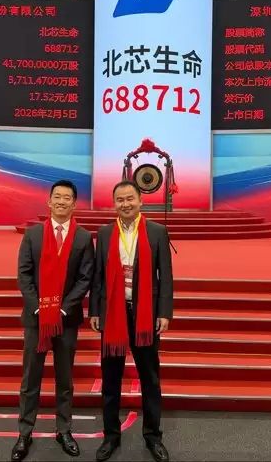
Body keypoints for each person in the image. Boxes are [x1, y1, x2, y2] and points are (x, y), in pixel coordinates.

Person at [89, 180, 174, 462]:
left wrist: (164, 312)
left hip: (145, 314)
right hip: (113, 314)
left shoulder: (157, 231)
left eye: (130, 199)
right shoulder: (104, 233)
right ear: (114, 203)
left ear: (141, 201)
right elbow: (98, 276)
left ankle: (153, 437)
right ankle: (111, 436)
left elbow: (165, 276)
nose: (125, 204)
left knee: (150, 378)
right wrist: (95, 311)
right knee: (110, 379)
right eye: (120, 200)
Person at [12, 180, 94, 461]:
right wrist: (38, 308)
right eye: (56, 197)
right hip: (36, 320)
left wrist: (63, 309)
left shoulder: (83, 238)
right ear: (49, 201)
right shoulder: (33, 235)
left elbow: (85, 278)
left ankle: (64, 430)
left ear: (74, 204)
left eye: (66, 197)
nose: (61, 201)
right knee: (30, 378)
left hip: (66, 321)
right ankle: (25, 432)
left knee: (65, 378)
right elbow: (24, 274)